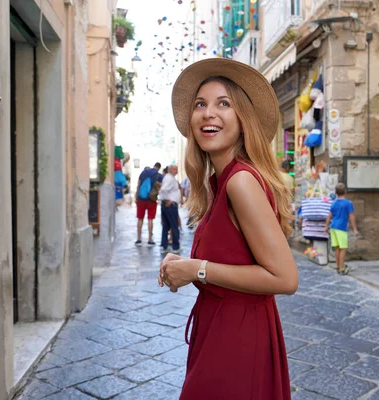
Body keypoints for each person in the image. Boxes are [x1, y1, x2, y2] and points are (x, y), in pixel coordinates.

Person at [159, 58, 298, 400]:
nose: (209, 113)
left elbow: (284, 279)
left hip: (237, 337)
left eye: (224, 104)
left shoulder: (240, 182)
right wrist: (186, 265)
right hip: (222, 329)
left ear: (243, 119)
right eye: (200, 104)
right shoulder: (221, 182)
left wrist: (198, 270)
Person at [324, 183, 359, 275]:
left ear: (335, 192)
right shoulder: (348, 203)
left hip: (333, 227)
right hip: (341, 228)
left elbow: (329, 216)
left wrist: (326, 226)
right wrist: (355, 229)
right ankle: (342, 268)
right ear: (345, 192)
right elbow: (351, 216)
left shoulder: (334, 203)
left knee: (337, 248)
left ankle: (338, 266)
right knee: (343, 248)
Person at [135, 162, 162, 246]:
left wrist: (136, 197)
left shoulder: (143, 173)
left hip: (141, 198)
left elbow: (138, 185)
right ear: (158, 168)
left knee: (140, 219)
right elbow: (160, 188)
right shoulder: (159, 175)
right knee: (150, 219)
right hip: (152, 200)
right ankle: (150, 239)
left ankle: (139, 239)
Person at [159, 164, 182, 253]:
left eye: (176, 169)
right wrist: (167, 200)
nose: (176, 170)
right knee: (174, 226)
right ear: (170, 170)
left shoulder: (169, 178)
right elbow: (164, 190)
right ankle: (175, 247)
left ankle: (164, 245)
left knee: (166, 226)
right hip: (170, 206)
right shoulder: (170, 178)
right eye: (174, 169)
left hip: (168, 205)